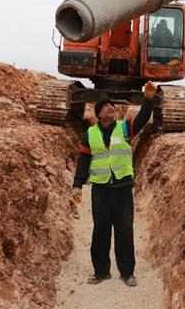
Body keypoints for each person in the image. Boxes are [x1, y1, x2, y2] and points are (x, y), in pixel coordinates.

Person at [72, 81, 157, 286]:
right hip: (100, 189)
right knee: (100, 230)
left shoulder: (125, 128)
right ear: (99, 114)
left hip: (122, 188)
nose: (111, 108)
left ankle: (127, 272)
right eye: (106, 107)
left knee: (124, 230)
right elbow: (83, 161)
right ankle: (101, 272)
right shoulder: (89, 135)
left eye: (112, 106)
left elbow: (144, 118)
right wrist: (77, 184)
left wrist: (148, 99)